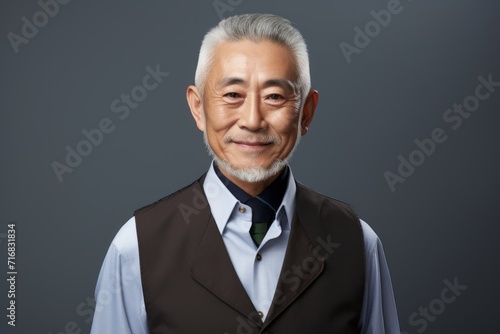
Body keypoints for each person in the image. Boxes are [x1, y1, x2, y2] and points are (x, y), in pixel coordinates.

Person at [90, 13, 400, 334]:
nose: (253, 120)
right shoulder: (136, 248)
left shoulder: (357, 243)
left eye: (275, 97)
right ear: (198, 107)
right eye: (232, 95)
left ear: (306, 112)